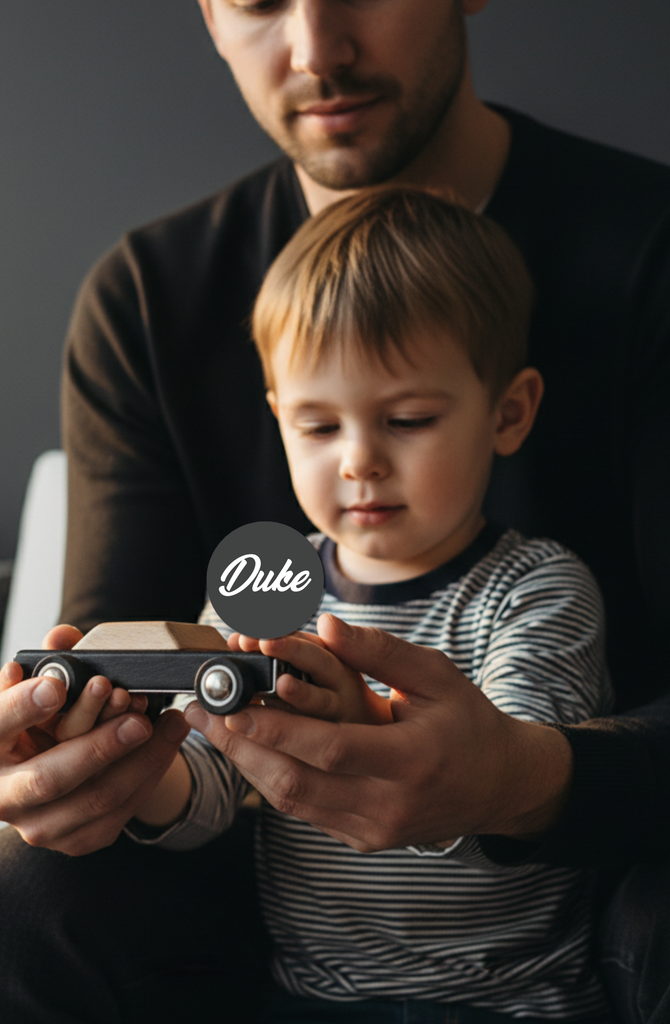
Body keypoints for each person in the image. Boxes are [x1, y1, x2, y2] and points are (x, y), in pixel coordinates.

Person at [0, 2, 670, 1021]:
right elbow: (161, 720)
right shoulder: (147, 302)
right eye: (259, 0)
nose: (316, 48)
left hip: (594, 897)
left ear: (509, 408)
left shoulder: (650, 257)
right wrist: (91, 766)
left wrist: (515, 775)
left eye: (407, 417)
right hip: (292, 941)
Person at [122, 184, 614, 1020]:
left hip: (513, 998)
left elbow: (509, 802)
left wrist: (360, 724)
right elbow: (203, 789)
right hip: (309, 995)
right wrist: (130, 763)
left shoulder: (536, 590)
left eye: (409, 419)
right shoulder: (262, 592)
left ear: (509, 411)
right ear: (278, 417)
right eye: (317, 427)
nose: (359, 461)